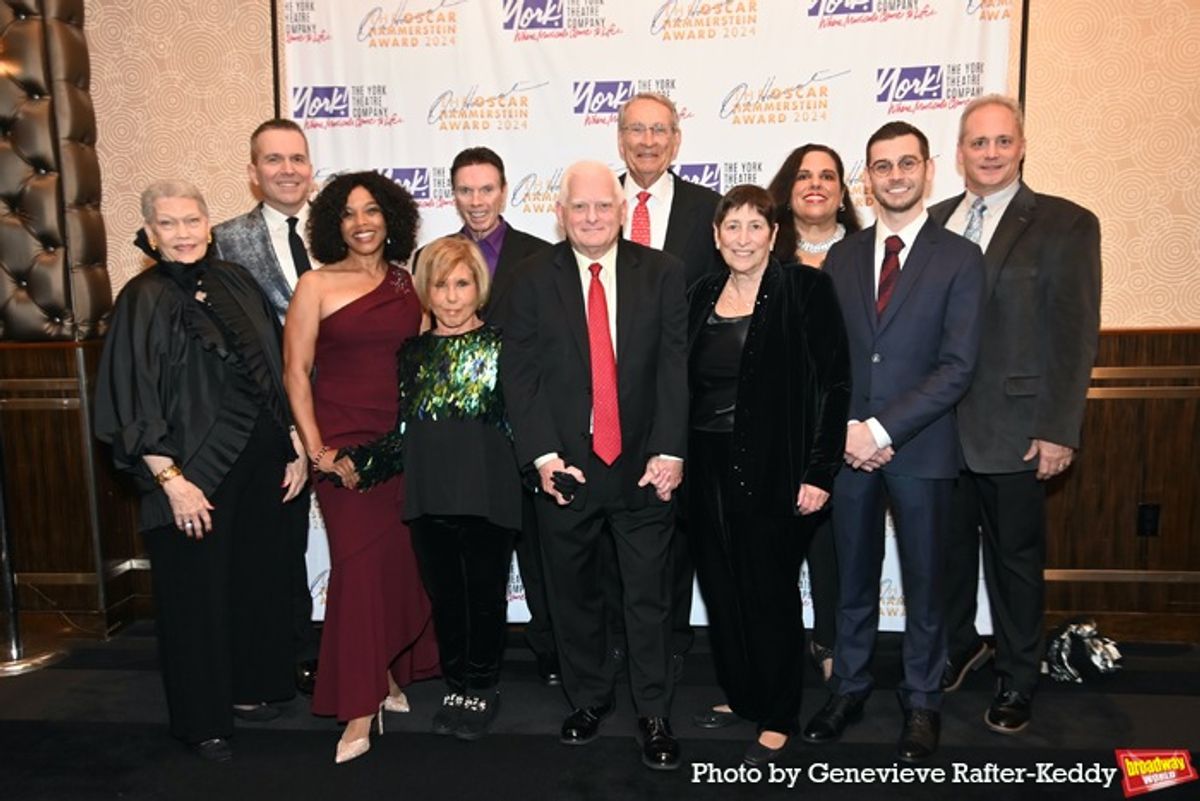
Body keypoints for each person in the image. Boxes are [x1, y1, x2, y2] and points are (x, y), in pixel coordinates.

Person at [94, 180, 309, 762]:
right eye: (169, 224)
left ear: (209, 223)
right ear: (149, 233)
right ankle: (202, 720)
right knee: (195, 599)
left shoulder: (236, 280)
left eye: (192, 221)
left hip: (263, 461)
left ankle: (250, 689)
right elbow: (132, 400)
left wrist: (292, 442)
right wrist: (170, 481)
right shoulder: (141, 298)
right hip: (192, 473)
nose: (183, 233)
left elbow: (272, 365)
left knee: (255, 583)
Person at [802, 122, 986, 763]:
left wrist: (881, 429)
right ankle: (848, 688)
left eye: (906, 163)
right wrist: (852, 431)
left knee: (925, 583)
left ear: (929, 170)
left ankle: (922, 701)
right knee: (851, 578)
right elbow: (832, 359)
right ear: (868, 177)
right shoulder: (844, 257)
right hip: (848, 451)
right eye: (882, 166)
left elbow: (958, 367)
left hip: (923, 448)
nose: (895, 175)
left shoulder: (961, 258)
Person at [500, 160, 688, 771]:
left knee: (648, 600)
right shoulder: (530, 279)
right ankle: (588, 700)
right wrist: (544, 458)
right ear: (561, 213)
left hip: (643, 469)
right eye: (578, 207)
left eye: (602, 206)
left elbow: (672, 371)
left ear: (621, 207)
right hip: (567, 472)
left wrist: (671, 451)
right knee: (573, 597)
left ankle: (654, 711)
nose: (590, 217)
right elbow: (520, 377)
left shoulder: (662, 273)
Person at [929, 95, 1101, 733]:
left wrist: (1058, 427)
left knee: (1015, 563)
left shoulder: (1065, 224)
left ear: (1022, 146)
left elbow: (1075, 332)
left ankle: (1018, 677)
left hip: (1018, 431)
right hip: (939, 431)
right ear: (960, 153)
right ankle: (960, 645)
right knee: (942, 555)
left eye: (1002, 142)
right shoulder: (936, 221)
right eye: (978, 143)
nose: (991, 153)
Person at [686, 184, 851, 766]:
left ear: (774, 235)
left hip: (776, 469)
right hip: (703, 467)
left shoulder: (805, 288)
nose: (743, 239)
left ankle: (780, 711)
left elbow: (835, 385)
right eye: (732, 227)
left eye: (756, 226)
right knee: (723, 589)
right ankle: (745, 694)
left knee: (769, 591)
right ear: (715, 236)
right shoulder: (701, 294)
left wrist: (820, 470)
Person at [337, 237, 521, 741]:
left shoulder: (504, 344)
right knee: (446, 599)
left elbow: (528, 422)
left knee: (485, 598)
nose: (452, 297)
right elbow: (402, 432)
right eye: (441, 285)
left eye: (462, 284)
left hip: (490, 494)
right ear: (426, 291)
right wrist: (359, 463)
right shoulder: (411, 354)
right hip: (429, 496)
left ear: (478, 287)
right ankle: (457, 684)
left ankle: (482, 687)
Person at [284, 171, 439, 764]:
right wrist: (319, 451)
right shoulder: (316, 285)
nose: (362, 222)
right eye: (348, 214)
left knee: (397, 568)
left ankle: (385, 675)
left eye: (372, 210)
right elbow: (296, 375)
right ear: (333, 225)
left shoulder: (410, 284)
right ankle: (357, 705)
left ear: (391, 217)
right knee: (356, 571)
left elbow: (426, 367)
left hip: (402, 449)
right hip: (343, 451)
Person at [432, 147, 559, 686]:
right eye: (466, 190)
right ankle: (471, 667)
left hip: (529, 432)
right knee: (469, 565)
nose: (477, 201)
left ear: (504, 191)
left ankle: (555, 656)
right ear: (453, 194)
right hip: (464, 441)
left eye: (486, 189)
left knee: (541, 558)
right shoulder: (435, 258)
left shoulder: (540, 255)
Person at [212, 118, 321, 696]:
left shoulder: (338, 234)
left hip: (348, 413)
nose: (287, 170)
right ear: (253, 174)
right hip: (269, 422)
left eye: (297, 159)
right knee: (275, 545)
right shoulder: (223, 241)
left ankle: (343, 652)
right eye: (273, 160)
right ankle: (281, 654)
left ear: (311, 169)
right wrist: (291, 432)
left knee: (341, 545)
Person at [616, 91, 721, 676]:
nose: (648, 141)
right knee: (615, 522)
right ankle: (618, 642)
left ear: (677, 140)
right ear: (621, 138)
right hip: (608, 399)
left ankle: (671, 640)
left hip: (690, 400)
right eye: (637, 130)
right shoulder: (598, 205)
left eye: (660, 131)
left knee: (677, 525)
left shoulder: (711, 210)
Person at [763, 143, 863, 681]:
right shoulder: (763, 256)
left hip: (846, 425)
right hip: (777, 429)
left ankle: (830, 642)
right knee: (775, 548)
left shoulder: (867, 255)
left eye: (828, 175)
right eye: (803, 175)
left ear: (844, 192)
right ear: (788, 189)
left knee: (833, 541)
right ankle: (774, 652)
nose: (816, 184)